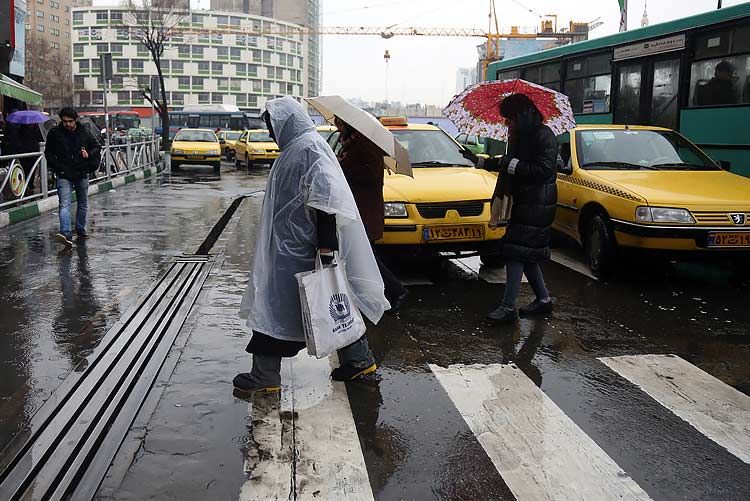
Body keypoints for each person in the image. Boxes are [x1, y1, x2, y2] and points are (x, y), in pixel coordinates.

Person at [234, 96, 390, 395]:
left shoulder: (308, 149)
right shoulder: (298, 148)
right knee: (327, 303)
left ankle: (264, 375)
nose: (270, 132)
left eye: (271, 125)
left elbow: (326, 198)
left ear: (286, 122)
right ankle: (359, 360)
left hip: (298, 249)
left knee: (280, 306)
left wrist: (326, 246)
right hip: (290, 247)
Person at [463, 93, 558, 323]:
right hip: (526, 201)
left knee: (515, 252)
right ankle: (544, 301)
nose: (507, 123)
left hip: (537, 203)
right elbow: (506, 161)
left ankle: (508, 307)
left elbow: (542, 170)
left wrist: (511, 164)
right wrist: (480, 161)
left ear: (522, 115)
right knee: (527, 254)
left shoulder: (543, 136)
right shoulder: (522, 136)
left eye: (510, 118)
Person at [334, 116, 408, 311]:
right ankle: (381, 294)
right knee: (365, 256)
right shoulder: (353, 144)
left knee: (366, 257)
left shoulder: (365, 146)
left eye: (340, 124)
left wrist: (342, 168)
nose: (337, 128)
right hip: (358, 209)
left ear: (350, 126)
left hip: (364, 211)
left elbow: (369, 175)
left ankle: (396, 290)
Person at [45, 108, 101, 247]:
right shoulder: (55, 133)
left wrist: (88, 153)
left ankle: (80, 229)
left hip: (81, 172)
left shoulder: (84, 132)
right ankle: (66, 233)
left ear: (75, 120)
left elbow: (96, 147)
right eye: (64, 121)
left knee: (82, 203)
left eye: (70, 121)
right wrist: (57, 167)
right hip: (64, 174)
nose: (67, 124)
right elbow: (49, 153)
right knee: (64, 204)